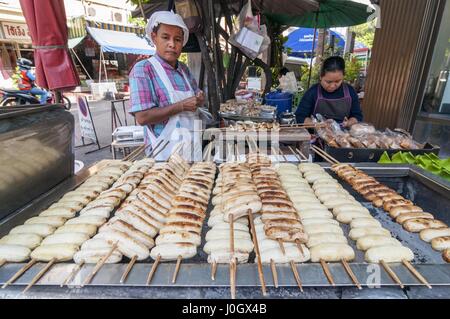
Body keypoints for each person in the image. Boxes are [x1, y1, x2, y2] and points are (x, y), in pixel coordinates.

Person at [129, 11, 204, 161]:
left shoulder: (184, 69)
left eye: (177, 39)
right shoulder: (143, 69)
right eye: (165, 37)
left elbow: (196, 97)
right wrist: (181, 106)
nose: (172, 44)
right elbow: (142, 117)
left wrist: (199, 99)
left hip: (192, 149)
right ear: (154, 37)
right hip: (163, 155)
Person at [295, 56, 363, 127]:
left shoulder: (350, 91)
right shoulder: (313, 92)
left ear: (343, 77)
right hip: (318, 133)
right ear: (321, 77)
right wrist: (315, 124)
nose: (332, 86)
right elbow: (300, 116)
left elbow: (357, 116)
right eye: (328, 82)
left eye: (337, 81)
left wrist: (349, 123)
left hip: (343, 135)